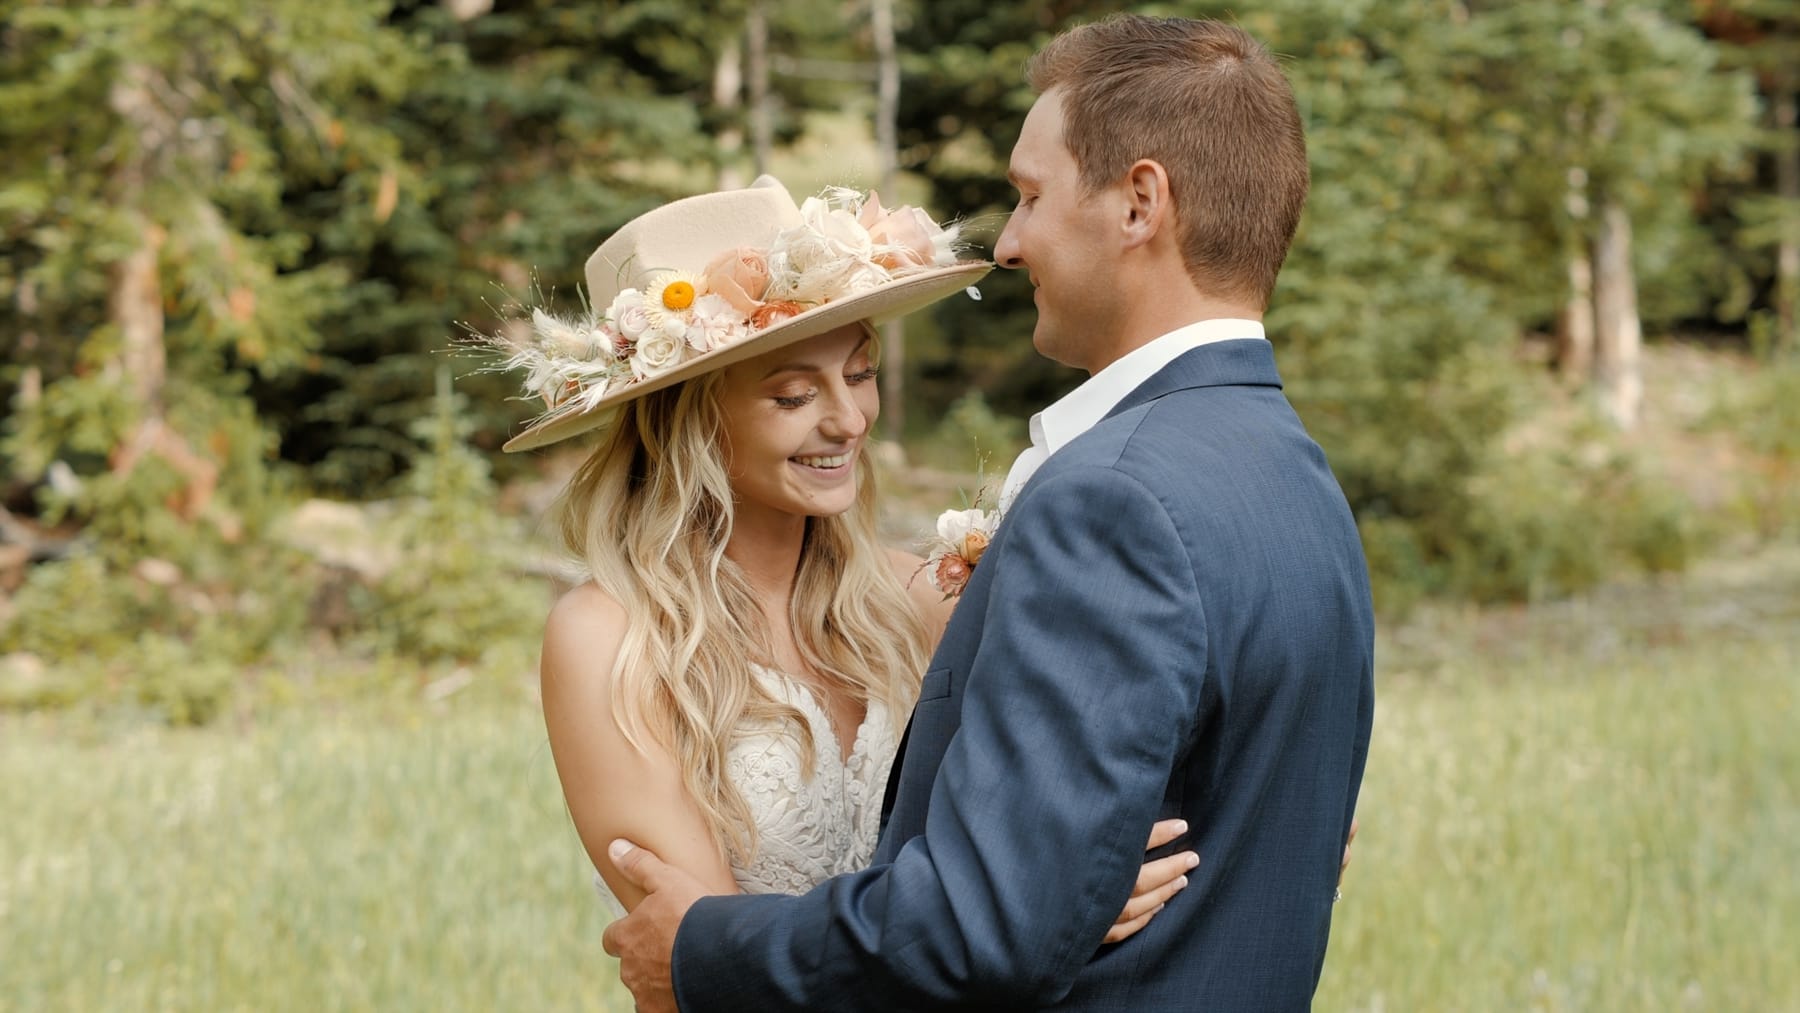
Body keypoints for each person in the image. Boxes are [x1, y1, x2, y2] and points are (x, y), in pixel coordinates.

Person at [601, 14, 1376, 1012]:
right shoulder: (1298, 478)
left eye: (1029, 195)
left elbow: (990, 926)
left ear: (1140, 202)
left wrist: (706, 947)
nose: (1008, 243)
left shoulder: (1110, 499)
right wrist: (1061, 887)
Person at [487, 178, 1195, 950]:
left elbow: (1105, 781)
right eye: (794, 394)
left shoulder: (920, 595)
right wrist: (1025, 915)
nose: (849, 418)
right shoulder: (611, 641)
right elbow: (707, 960)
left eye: (858, 374)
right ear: (687, 421)